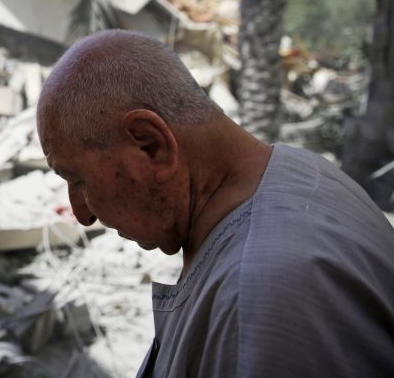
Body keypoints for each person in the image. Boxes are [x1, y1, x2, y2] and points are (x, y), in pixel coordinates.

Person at [36, 30, 394, 377]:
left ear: (151, 145)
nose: (82, 214)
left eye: (78, 180)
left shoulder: (257, 299)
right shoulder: (297, 172)